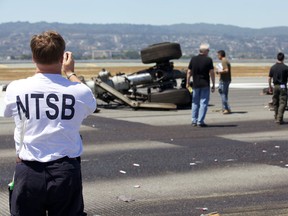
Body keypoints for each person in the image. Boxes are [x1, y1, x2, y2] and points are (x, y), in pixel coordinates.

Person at [4, 31, 97, 215]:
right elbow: (91, 102)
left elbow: (7, 112)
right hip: (65, 171)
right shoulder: (78, 92)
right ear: (63, 58)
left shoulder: (16, 88)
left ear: (33, 57)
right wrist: (70, 73)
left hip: (28, 170)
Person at [186, 43, 215, 127]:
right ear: (205, 51)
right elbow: (212, 73)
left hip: (195, 84)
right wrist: (213, 84)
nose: (208, 52)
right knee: (203, 103)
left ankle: (194, 120)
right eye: (208, 50)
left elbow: (189, 72)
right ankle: (200, 121)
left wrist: (188, 82)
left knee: (195, 102)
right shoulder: (208, 60)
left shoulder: (193, 59)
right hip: (205, 84)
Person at [268, 52, 288, 124]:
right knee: (283, 102)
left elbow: (269, 78)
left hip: (275, 86)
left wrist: (270, 87)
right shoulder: (286, 67)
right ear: (283, 58)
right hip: (283, 86)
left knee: (275, 102)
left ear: (277, 58)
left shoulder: (273, 67)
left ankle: (277, 117)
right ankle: (279, 118)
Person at [216, 50, 232, 114]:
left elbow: (226, 70)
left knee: (222, 94)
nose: (217, 56)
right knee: (225, 94)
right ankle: (224, 108)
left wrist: (218, 71)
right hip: (227, 80)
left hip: (224, 80)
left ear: (220, 55)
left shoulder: (223, 61)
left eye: (218, 55)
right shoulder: (226, 60)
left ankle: (227, 108)